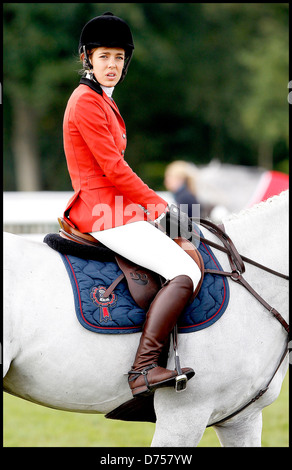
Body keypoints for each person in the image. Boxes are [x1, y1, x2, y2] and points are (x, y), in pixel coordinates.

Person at [62, 12, 203, 397]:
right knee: (183, 270)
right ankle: (143, 369)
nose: (112, 65)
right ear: (87, 57)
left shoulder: (103, 100)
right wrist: (161, 209)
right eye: (104, 56)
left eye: (119, 57)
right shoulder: (86, 102)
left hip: (117, 208)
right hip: (101, 212)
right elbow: (113, 168)